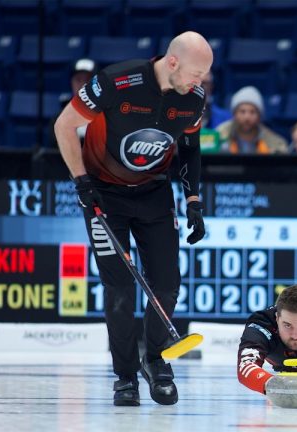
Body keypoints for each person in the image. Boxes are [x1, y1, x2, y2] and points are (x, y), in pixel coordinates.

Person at [54, 31, 212, 407]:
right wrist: (81, 182)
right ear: (172, 62)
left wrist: (192, 199)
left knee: (167, 284)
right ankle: (125, 377)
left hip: (155, 192)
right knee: (121, 290)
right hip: (104, 195)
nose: (199, 82)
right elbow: (63, 126)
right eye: (195, 73)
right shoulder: (116, 82)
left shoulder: (193, 99)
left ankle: (156, 361)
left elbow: (190, 149)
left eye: (204, 75)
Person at [216, 85, 288, 154]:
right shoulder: (219, 136)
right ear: (234, 114)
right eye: (242, 112)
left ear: (259, 116)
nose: (247, 117)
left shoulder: (275, 143)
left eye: (252, 112)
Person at [49, 58, 97, 146]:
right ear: (71, 82)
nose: (82, 84)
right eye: (78, 80)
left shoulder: (107, 116)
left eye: (87, 80)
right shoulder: (60, 118)